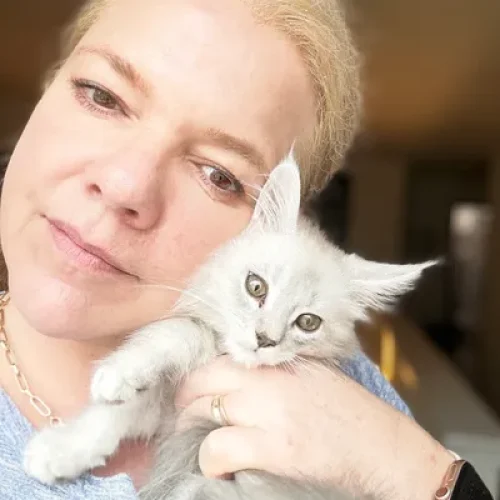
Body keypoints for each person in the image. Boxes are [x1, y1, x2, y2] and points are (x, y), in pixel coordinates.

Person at [0, 0, 491, 499]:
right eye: (102, 96)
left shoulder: (343, 388)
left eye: (219, 175)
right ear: (48, 89)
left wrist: (423, 475)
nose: (125, 184)